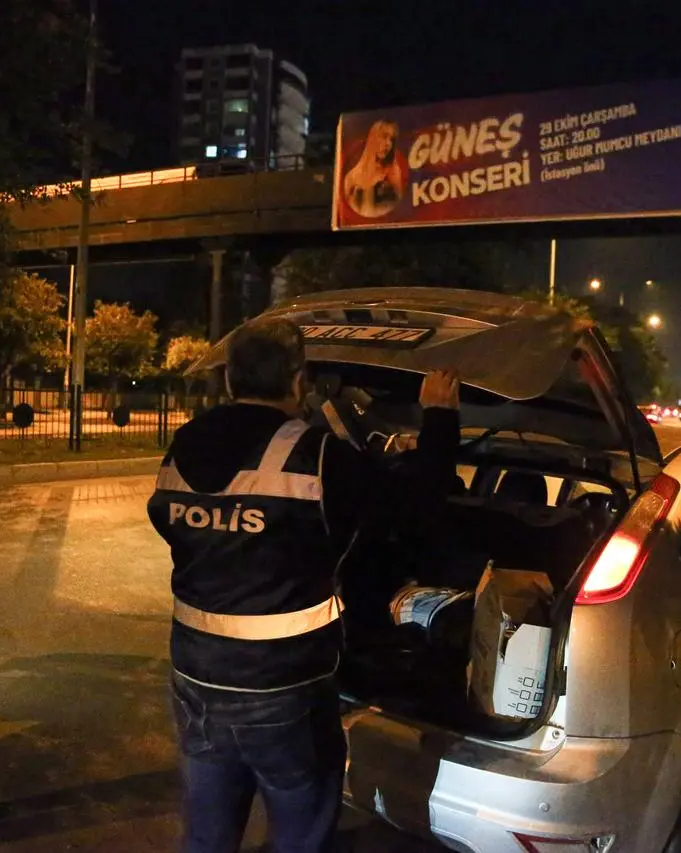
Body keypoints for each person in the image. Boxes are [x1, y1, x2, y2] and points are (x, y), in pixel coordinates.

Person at [147, 317, 461, 853]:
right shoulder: (318, 454)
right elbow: (416, 504)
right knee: (300, 827)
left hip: (196, 676)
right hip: (284, 684)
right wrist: (440, 417)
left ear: (229, 379)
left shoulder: (186, 442)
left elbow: (167, 518)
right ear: (298, 381)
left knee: (208, 829)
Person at [343, 119, 404, 218]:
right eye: (384, 136)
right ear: (372, 139)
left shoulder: (393, 173)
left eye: (391, 139)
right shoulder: (351, 178)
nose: (388, 144)